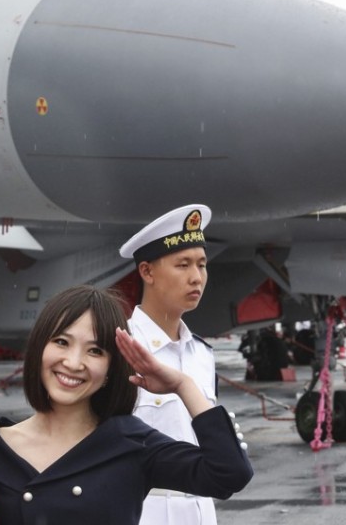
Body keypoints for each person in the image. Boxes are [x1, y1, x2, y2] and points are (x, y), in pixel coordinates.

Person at [0, 285, 253, 525]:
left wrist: (183, 385)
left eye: (95, 351)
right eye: (61, 342)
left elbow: (229, 474)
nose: (74, 363)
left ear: (111, 367)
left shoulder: (128, 443)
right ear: (39, 348)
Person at [119, 204, 223, 524]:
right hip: (143, 510)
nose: (196, 277)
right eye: (183, 264)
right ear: (147, 272)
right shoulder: (122, 349)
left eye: (202, 265)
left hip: (202, 510)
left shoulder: (202, 355)